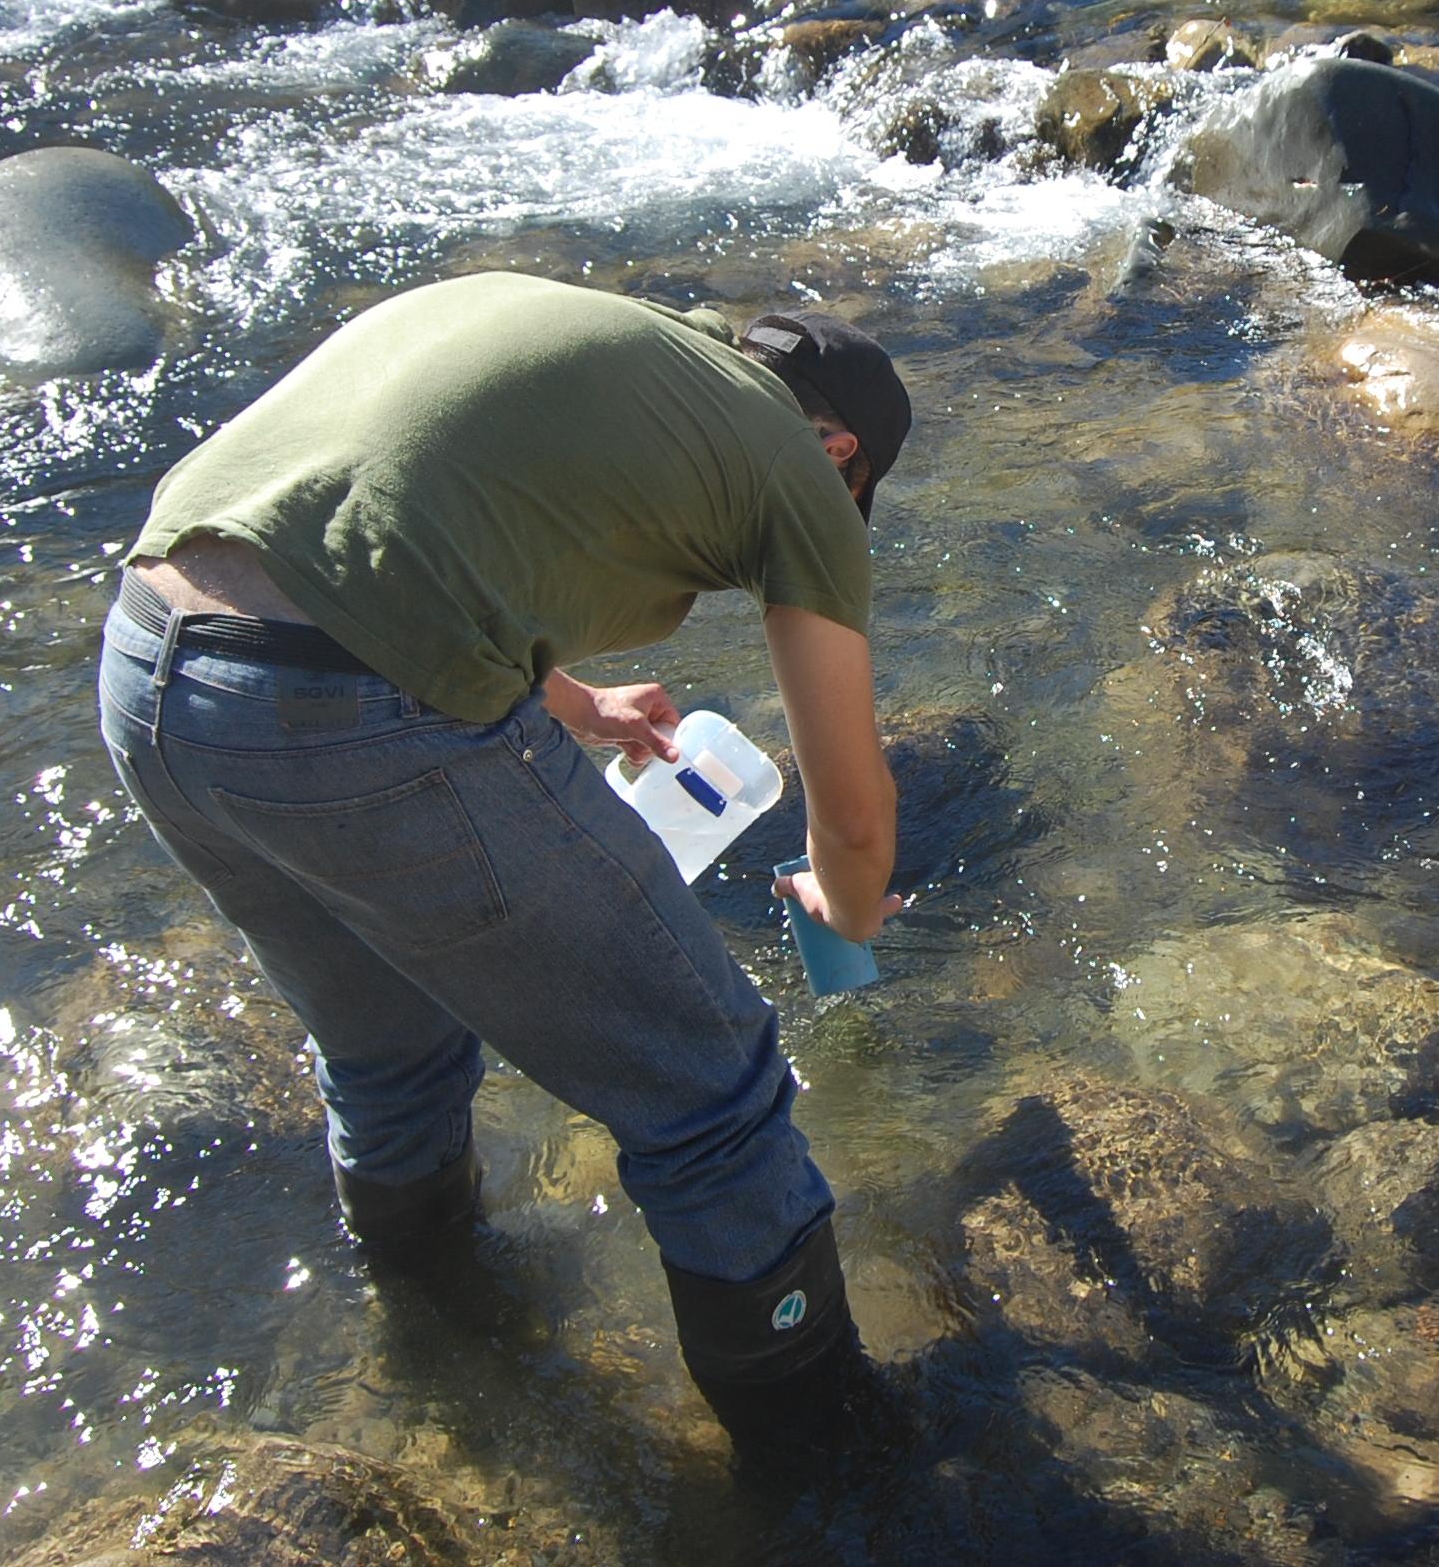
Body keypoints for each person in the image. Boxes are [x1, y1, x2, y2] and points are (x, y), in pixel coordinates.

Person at [92, 270, 912, 1452]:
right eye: (854, 491)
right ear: (836, 446)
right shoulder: (796, 467)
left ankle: (440, 1363)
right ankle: (831, 1461)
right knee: (712, 1087)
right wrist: (842, 909)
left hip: (151, 670)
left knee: (387, 1057)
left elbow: (385, 505)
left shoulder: (602, 333)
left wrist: (568, 697)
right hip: (345, 708)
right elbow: (852, 809)